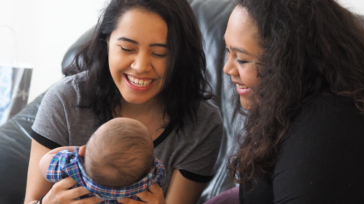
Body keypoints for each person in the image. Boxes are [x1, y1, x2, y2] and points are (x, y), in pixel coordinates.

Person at [24, 0, 223, 203]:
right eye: (127, 48)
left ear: (180, 56)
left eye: (159, 53)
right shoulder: (65, 100)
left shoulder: (201, 122)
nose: (140, 66)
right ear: (107, 43)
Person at [207, 0, 364, 203]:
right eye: (228, 51)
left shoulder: (330, 125)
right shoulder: (285, 110)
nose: (227, 69)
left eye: (242, 59)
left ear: (285, 61)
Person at [39, 117, 166, 203]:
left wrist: (76, 152)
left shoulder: (72, 168)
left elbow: (44, 163)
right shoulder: (152, 180)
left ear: (83, 151)